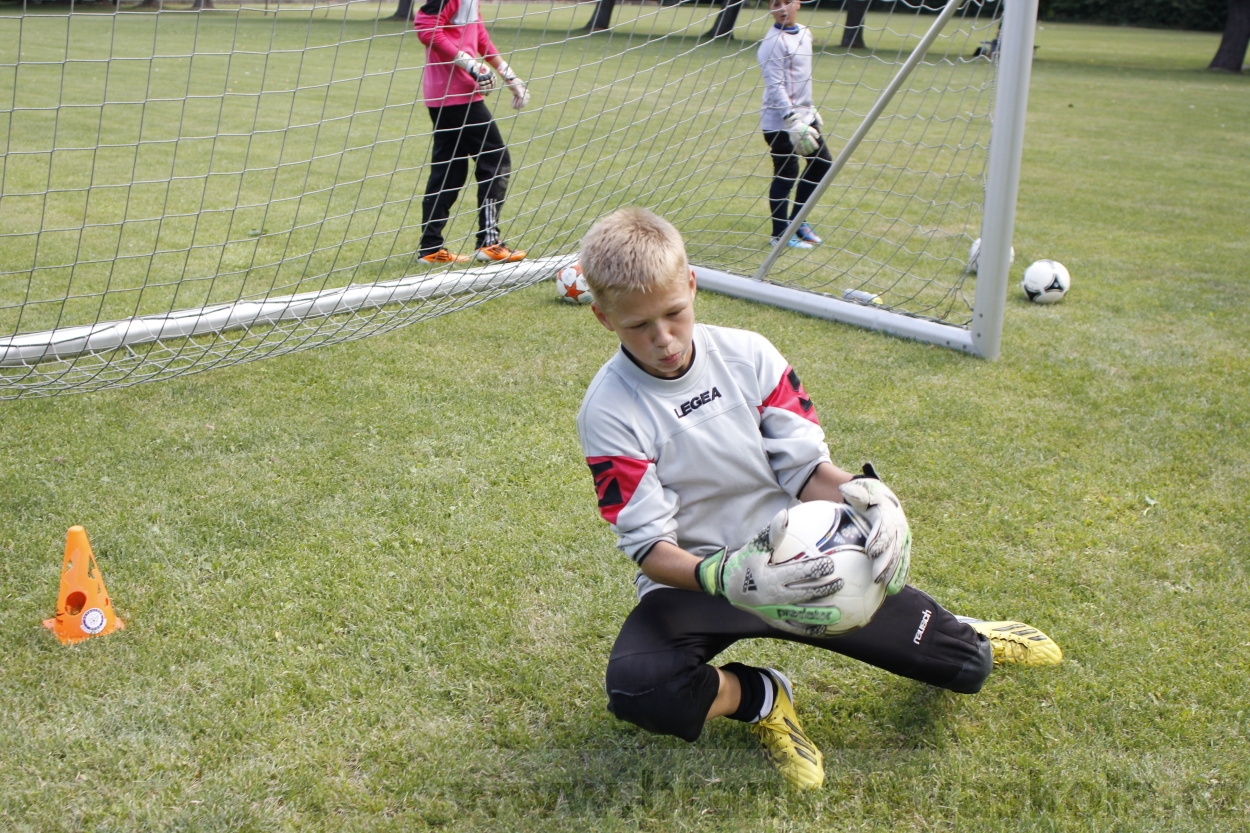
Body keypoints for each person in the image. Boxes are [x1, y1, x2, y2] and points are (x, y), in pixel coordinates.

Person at [575, 207, 1062, 790]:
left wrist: (873, 496)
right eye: (638, 326)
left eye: (675, 314)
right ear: (604, 318)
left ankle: (964, 629)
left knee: (967, 668)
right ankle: (760, 695)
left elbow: (807, 470)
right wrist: (730, 577)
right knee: (640, 689)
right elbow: (650, 546)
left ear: (692, 284)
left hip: (810, 564)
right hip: (701, 580)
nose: (663, 339)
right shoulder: (607, 411)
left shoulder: (749, 354)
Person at [414, 0, 529, 265]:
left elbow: (478, 35)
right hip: (456, 95)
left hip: (450, 95)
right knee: (496, 160)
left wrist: (509, 76)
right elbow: (426, 29)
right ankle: (489, 242)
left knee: (450, 171)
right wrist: (471, 66)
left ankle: (430, 248)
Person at [757, 0, 832, 251]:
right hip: (780, 121)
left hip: (804, 117)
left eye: (787, 2)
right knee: (786, 173)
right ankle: (780, 234)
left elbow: (801, 78)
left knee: (822, 164)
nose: (782, 8)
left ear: (798, 3)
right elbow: (775, 85)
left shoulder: (805, 33)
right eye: (775, 3)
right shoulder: (772, 43)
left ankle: (797, 221)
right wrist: (791, 120)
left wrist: (810, 110)